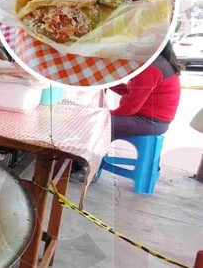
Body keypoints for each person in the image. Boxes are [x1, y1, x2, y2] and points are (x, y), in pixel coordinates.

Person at [71, 43, 182, 181]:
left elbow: (130, 108)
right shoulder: (158, 63)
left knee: (94, 123)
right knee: (99, 120)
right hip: (150, 120)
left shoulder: (151, 67)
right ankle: (88, 164)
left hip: (147, 121)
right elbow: (133, 93)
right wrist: (107, 82)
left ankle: (85, 170)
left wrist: (103, 115)